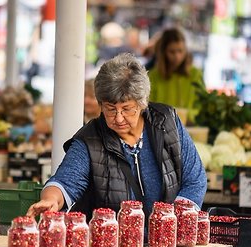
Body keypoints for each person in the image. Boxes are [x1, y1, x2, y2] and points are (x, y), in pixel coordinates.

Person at [27, 53, 207, 220]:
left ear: (142, 103)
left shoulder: (167, 122)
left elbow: (195, 179)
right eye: (111, 109)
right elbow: (65, 181)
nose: (119, 118)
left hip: (169, 242)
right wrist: (50, 199)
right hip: (115, 245)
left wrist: (170, 224)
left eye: (127, 108)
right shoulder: (90, 140)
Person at [148, 28, 206, 125]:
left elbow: (203, 105)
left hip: (190, 130)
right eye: (172, 52)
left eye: (180, 51)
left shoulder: (196, 74)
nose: (177, 56)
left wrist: (188, 116)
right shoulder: (153, 76)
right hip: (162, 131)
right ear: (163, 52)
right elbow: (148, 107)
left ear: (186, 51)